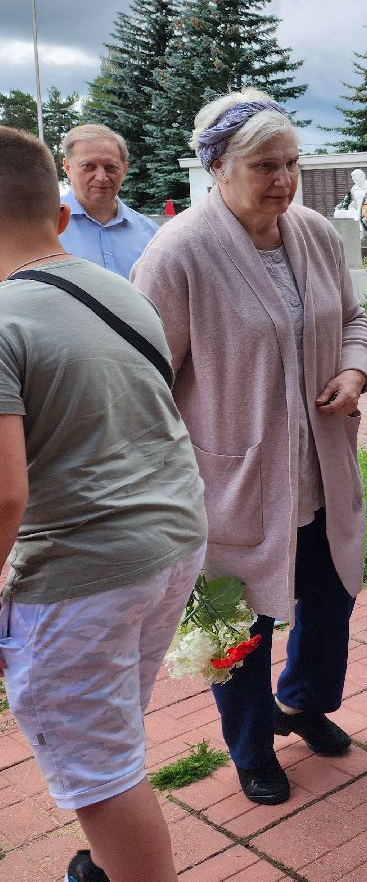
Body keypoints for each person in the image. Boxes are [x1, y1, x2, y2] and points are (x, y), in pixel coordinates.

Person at [131, 89, 367, 808]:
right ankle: (252, 747)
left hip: (322, 467)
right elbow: (144, 381)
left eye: (293, 163)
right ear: (218, 167)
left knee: (331, 601)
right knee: (240, 627)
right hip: (231, 480)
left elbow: (354, 319)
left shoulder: (313, 234)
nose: (286, 180)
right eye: (267, 165)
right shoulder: (179, 253)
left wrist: (355, 370)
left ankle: (301, 702)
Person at [0, 127, 207, 882]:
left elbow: (3, 492)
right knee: (110, 732)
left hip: (80, 573)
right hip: (170, 544)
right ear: (55, 214)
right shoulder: (118, 288)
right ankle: (106, 865)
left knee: (101, 776)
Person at [57, 123, 159, 279]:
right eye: (88, 166)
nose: (101, 177)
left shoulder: (150, 234)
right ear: (67, 167)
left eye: (111, 167)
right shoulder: (44, 228)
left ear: (124, 170)